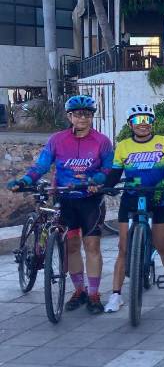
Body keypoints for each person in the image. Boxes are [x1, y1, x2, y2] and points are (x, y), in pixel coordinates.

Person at [7, 95, 114, 314]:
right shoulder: (57, 140)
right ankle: (79, 290)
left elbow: (109, 168)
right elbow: (41, 166)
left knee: (92, 247)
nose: (82, 118)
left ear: (92, 116)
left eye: (87, 114)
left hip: (90, 201)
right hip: (65, 200)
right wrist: (25, 181)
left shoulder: (102, 141)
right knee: (72, 246)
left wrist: (100, 180)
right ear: (69, 116)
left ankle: (94, 294)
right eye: (77, 114)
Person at [103, 104, 164, 313]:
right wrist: (106, 186)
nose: (143, 125)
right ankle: (116, 295)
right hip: (131, 199)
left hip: (158, 197)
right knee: (123, 249)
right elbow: (115, 173)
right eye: (137, 120)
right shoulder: (123, 146)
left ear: (153, 123)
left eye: (147, 120)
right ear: (130, 124)